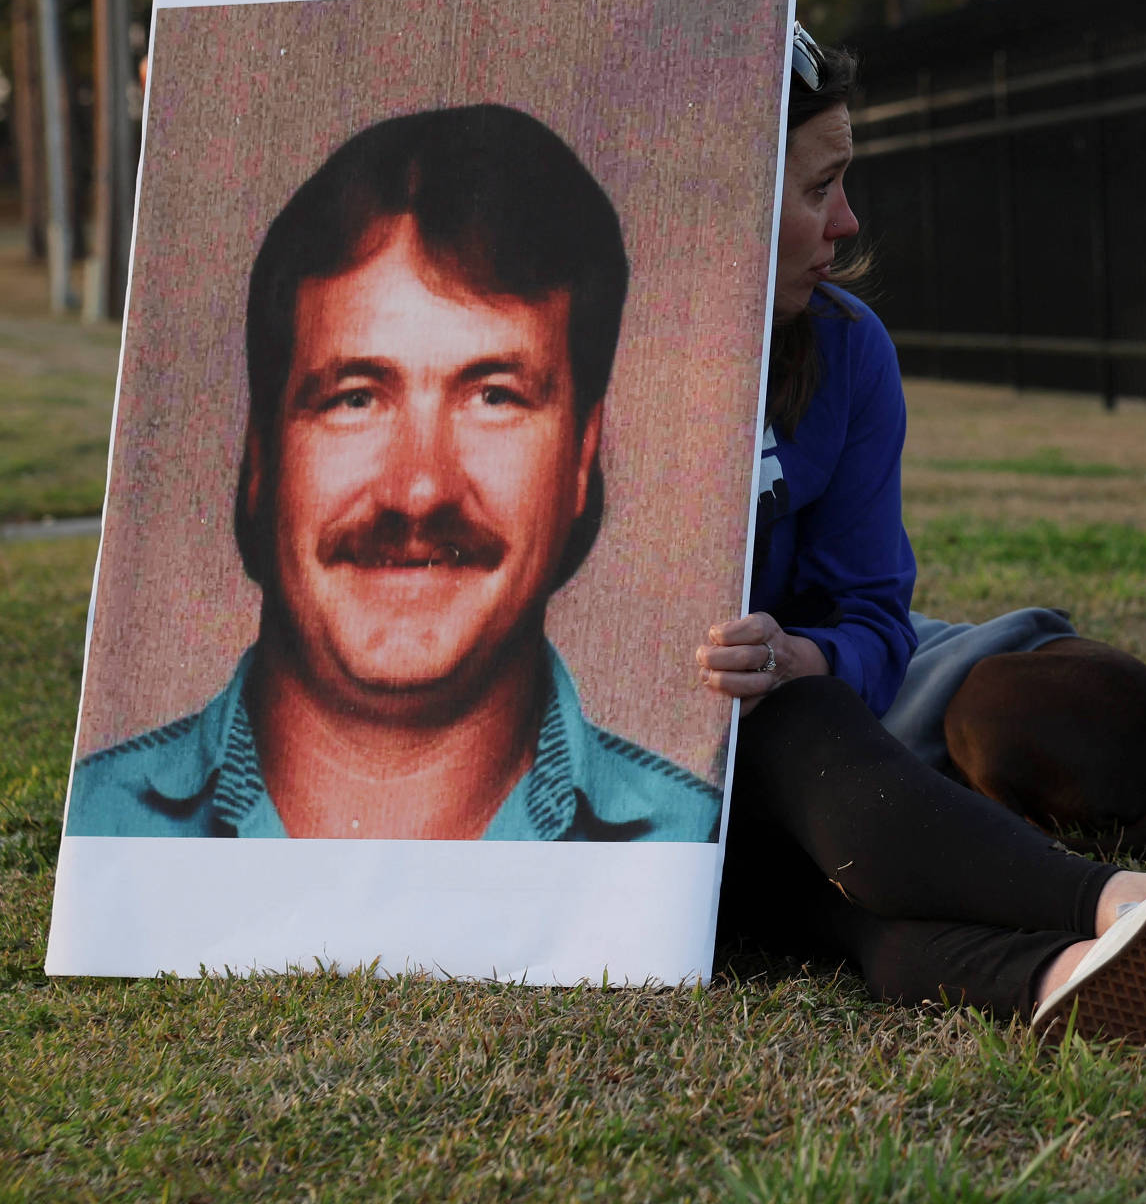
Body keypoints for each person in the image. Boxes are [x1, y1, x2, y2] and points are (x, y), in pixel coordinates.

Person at [699, 27, 1146, 1046]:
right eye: (816, 189)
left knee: (822, 822)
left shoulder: (844, 352)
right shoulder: (555, 356)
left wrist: (803, 651)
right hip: (629, 813)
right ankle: (1128, 902)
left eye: (846, 180)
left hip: (790, 803)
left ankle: (1078, 970)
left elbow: (875, 617)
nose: (847, 221)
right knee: (794, 747)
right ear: (724, 200)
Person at [65, 106, 719, 843]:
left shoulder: (688, 853)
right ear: (261, 453)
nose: (419, 488)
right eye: (355, 398)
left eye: (494, 395)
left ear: (580, 457)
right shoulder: (103, 831)